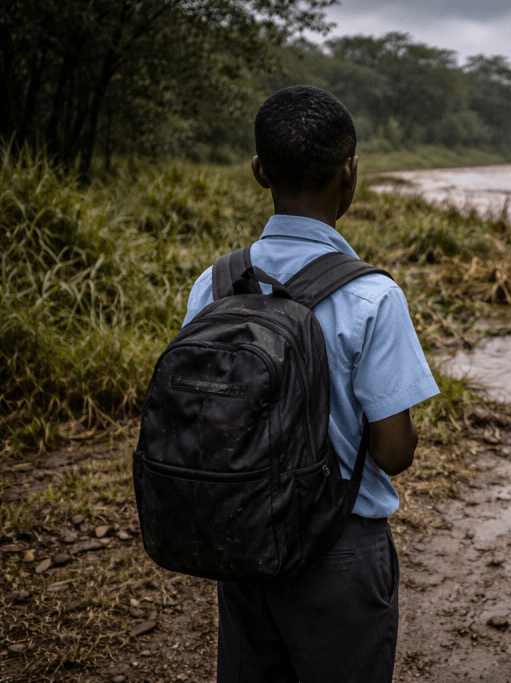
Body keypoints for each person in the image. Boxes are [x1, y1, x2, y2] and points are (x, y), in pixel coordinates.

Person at [181, 85, 439, 683]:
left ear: (258, 171)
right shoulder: (372, 295)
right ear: (350, 174)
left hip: (240, 537)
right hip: (340, 551)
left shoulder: (215, 285)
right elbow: (394, 454)